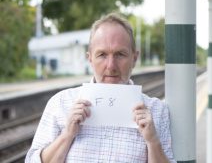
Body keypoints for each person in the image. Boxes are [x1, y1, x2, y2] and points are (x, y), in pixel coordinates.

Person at [25, 13, 175, 162]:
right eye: (102, 54)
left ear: (134, 58)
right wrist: (67, 135)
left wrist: (152, 141)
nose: (111, 66)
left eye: (120, 54)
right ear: (89, 58)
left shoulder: (156, 110)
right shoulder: (60, 103)